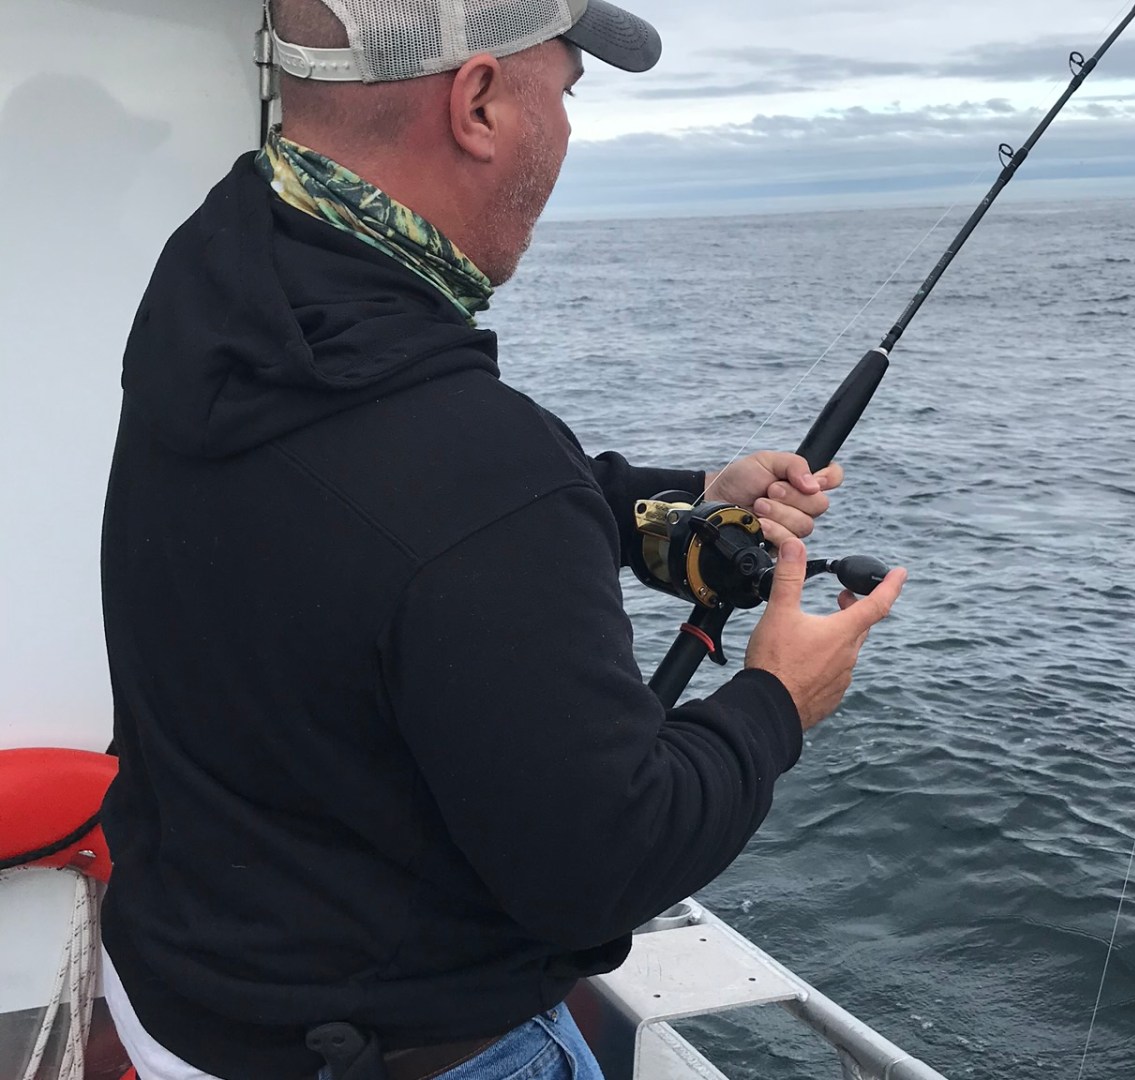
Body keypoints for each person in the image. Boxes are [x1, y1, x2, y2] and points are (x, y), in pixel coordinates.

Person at [98, 1, 907, 1078]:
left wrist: (676, 502)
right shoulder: (473, 469)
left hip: (179, 1000)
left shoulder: (221, 298)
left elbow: (378, 513)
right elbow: (606, 863)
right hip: (397, 1050)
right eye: (564, 93)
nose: (567, 133)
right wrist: (773, 701)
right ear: (477, 102)